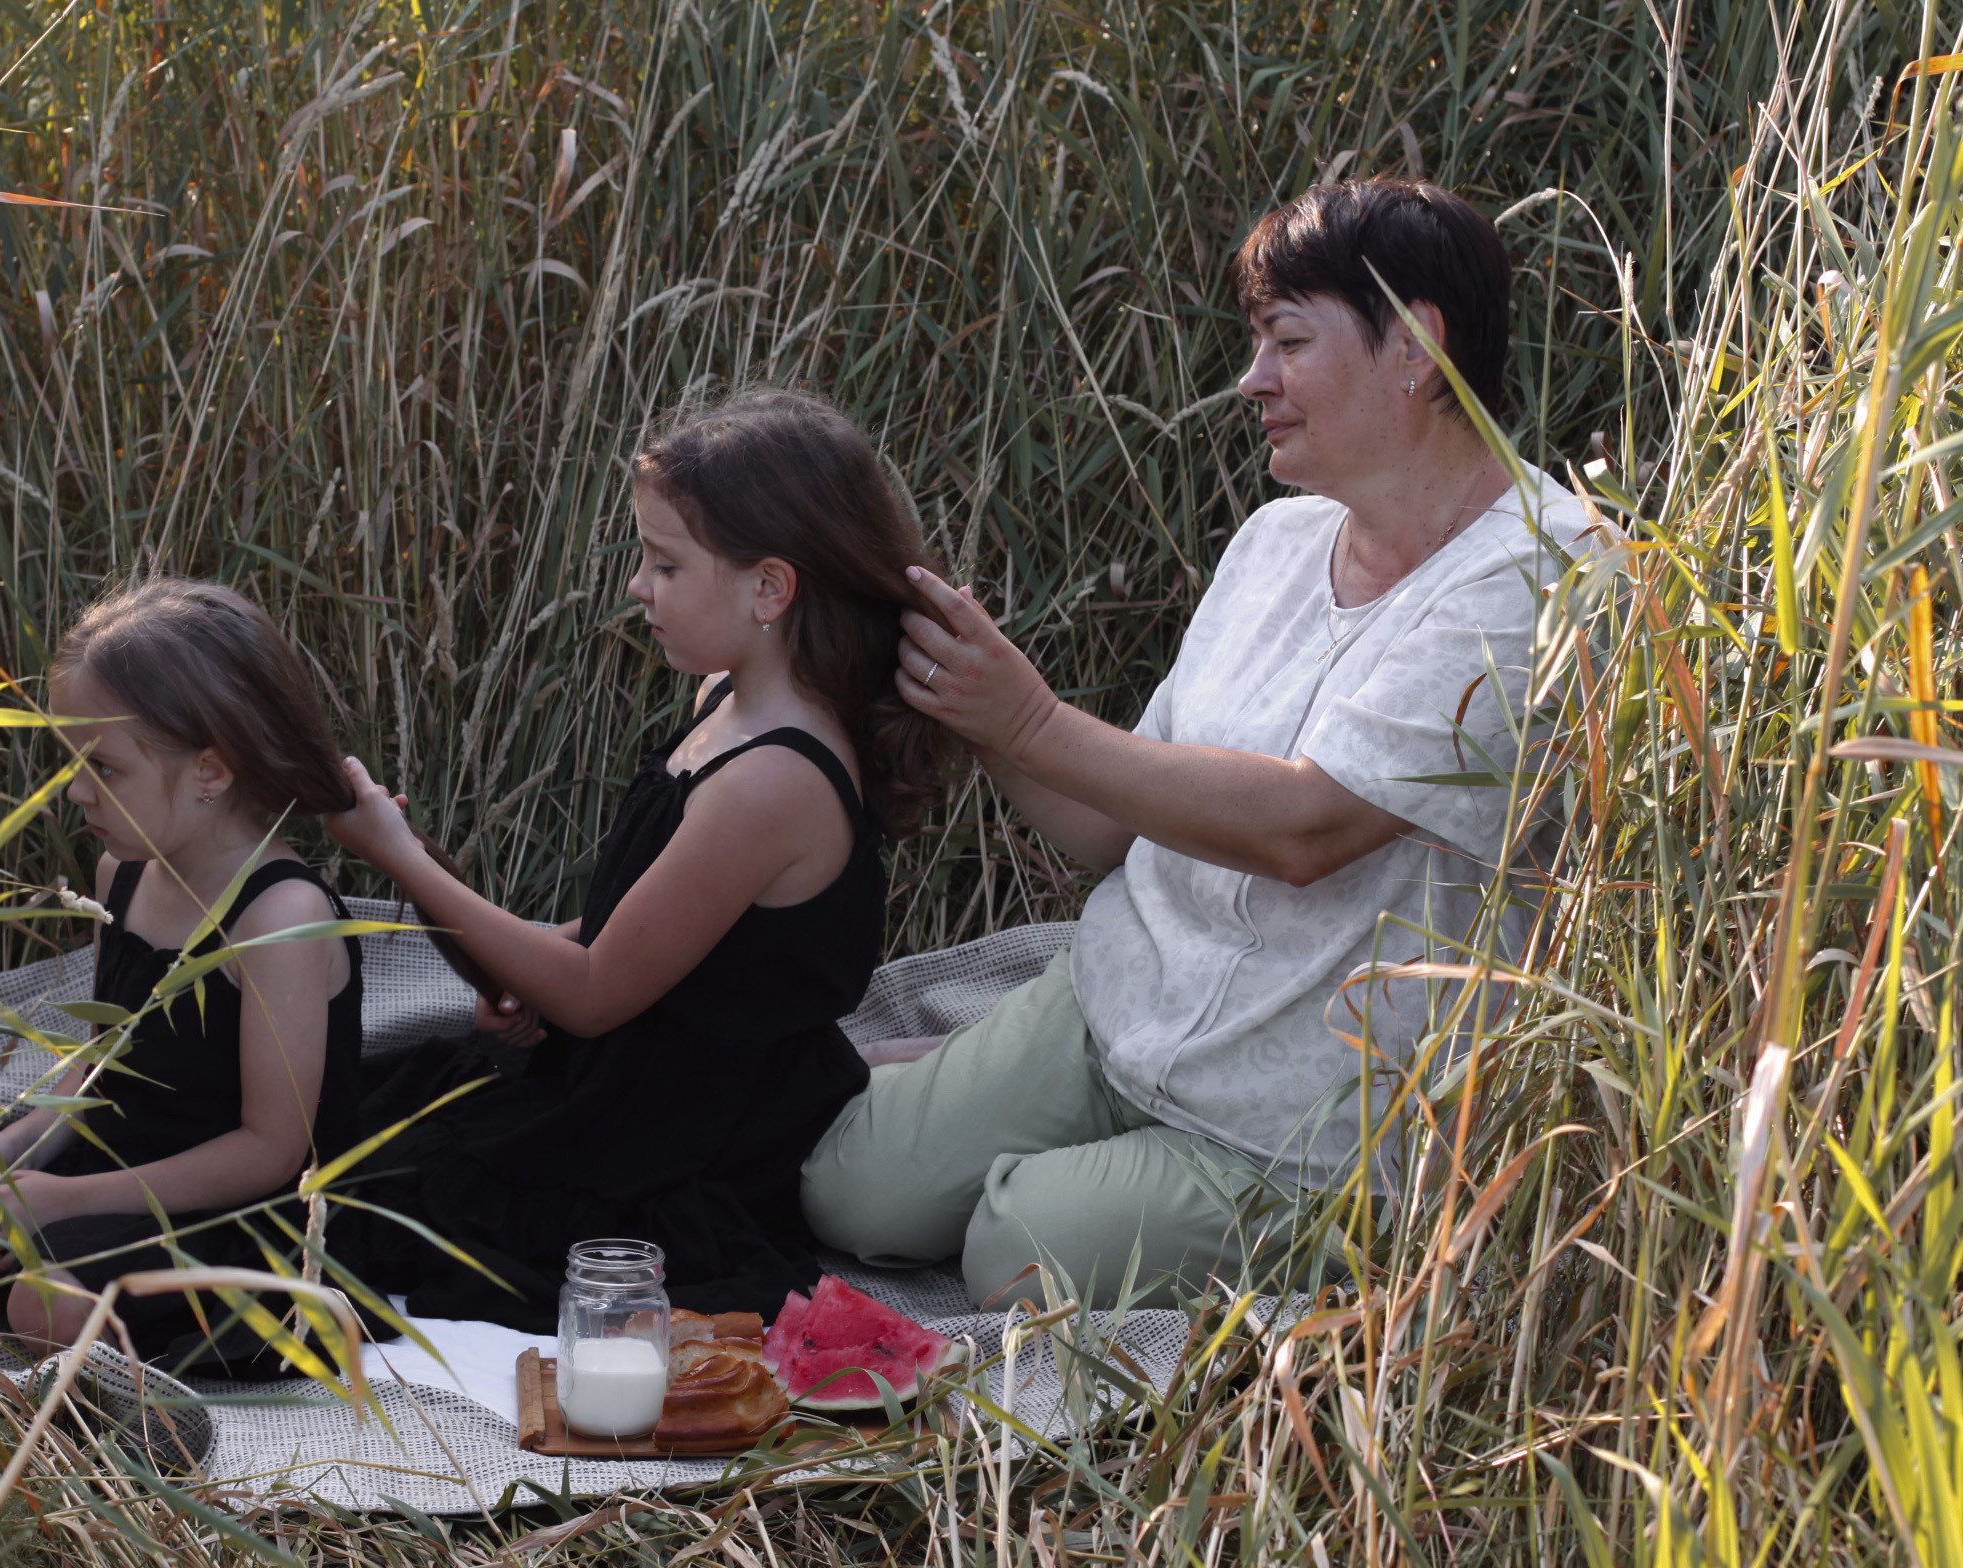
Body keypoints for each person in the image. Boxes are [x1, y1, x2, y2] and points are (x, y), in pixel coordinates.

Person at [801, 179, 1604, 1310]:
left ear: (1416, 349)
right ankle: (1005, 1126)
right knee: (852, 1195)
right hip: (1120, 1008)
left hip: (1302, 1127)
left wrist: (1031, 716)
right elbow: (1104, 828)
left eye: (1286, 342)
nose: (1253, 381)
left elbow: (1306, 825)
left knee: (1011, 1245)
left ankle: (1226, 1221)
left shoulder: (1537, 577)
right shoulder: (1277, 542)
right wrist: (980, 714)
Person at [326, 389, 961, 1331]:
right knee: (370, 1136)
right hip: (624, 1072)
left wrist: (401, 861)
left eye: (664, 563)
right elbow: (642, 926)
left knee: (393, 1210)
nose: (637, 585)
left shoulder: (774, 779)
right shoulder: (728, 696)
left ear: (769, 589)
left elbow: (593, 990)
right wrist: (520, 970)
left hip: (683, 1131)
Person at [0, 580, 365, 1373]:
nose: (74, 792)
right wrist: (1, 1159)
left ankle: (74, 1328)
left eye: (101, 767)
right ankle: (9, 1268)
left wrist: (61, 1203)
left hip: (234, 1214)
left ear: (211, 770)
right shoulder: (123, 873)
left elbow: (270, 1151)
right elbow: (104, 1063)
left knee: (51, 1299)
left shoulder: (280, 917)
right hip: (112, 1165)